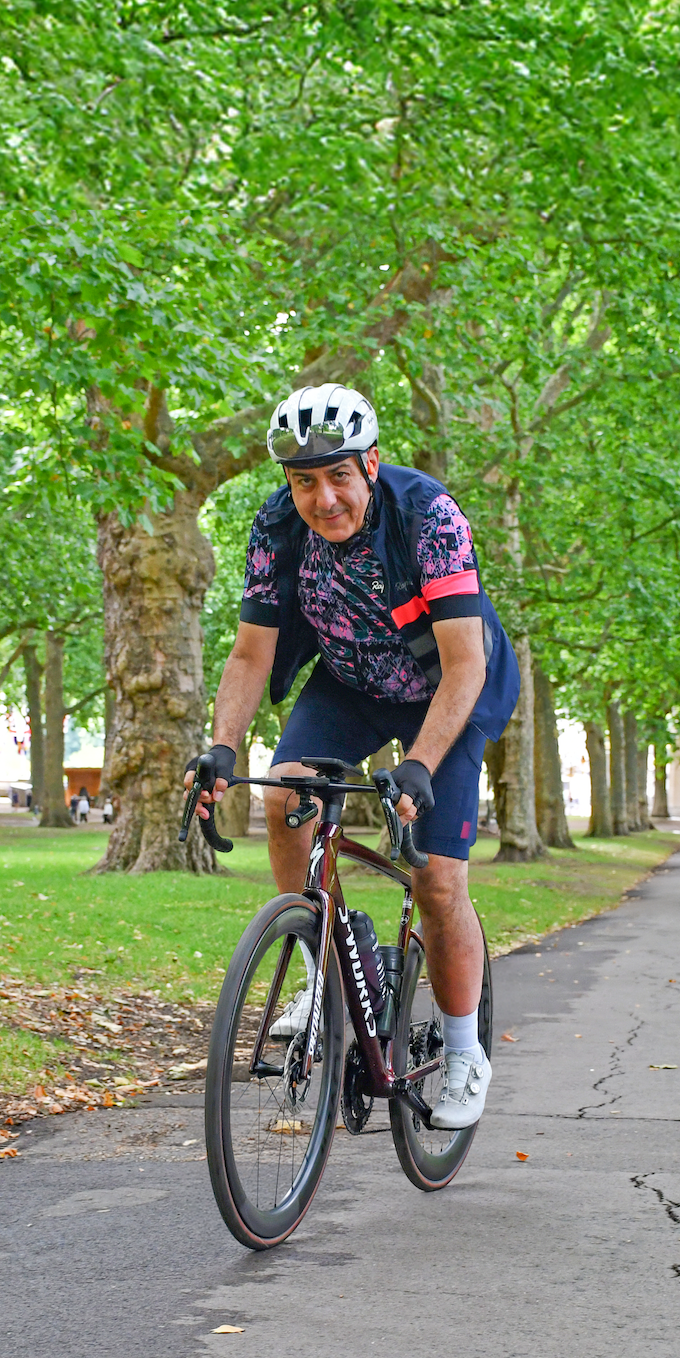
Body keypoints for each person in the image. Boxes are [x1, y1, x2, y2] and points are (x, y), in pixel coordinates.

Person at [191, 382, 519, 1131]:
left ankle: (464, 1051)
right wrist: (221, 747)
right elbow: (250, 652)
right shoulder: (277, 526)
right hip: (351, 684)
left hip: (445, 688)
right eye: (304, 480)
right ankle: (322, 970)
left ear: (370, 464)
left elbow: (465, 662)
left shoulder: (428, 516)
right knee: (285, 793)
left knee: (437, 879)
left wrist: (420, 763)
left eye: (338, 475)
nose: (324, 498)